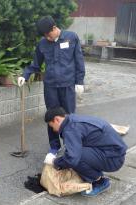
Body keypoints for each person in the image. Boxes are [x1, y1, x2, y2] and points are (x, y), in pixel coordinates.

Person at [17, 16, 86, 155]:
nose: (47, 38)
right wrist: (24, 75)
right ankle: (54, 146)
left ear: (55, 28)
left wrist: (79, 82)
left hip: (67, 85)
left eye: (49, 34)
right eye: (44, 35)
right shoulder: (43, 43)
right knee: (51, 116)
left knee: (68, 116)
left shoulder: (71, 38)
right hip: (51, 87)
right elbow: (35, 64)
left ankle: (69, 145)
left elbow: (79, 61)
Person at [43, 107, 127, 197]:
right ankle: (95, 173)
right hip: (113, 153)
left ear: (57, 119)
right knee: (72, 152)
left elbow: (72, 158)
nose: (54, 130)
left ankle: (100, 182)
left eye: (52, 126)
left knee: (74, 158)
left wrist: (54, 162)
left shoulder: (70, 129)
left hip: (113, 159)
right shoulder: (74, 120)